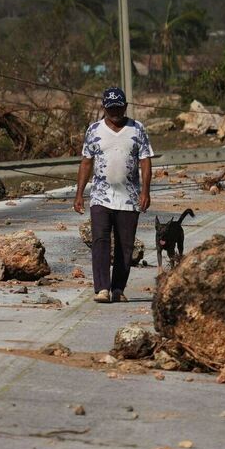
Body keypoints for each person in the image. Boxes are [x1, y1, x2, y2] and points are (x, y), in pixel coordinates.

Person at [74, 87, 153, 303]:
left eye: (119, 108)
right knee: (100, 240)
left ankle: (118, 288)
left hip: (129, 196)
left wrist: (145, 191)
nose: (115, 112)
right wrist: (79, 193)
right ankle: (102, 288)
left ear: (125, 107)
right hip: (100, 195)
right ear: (104, 108)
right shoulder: (94, 130)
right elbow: (86, 162)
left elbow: (145, 161)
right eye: (111, 109)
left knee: (125, 244)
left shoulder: (137, 129)